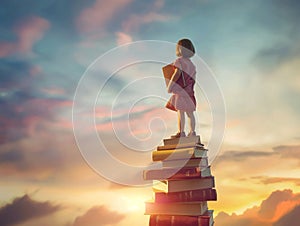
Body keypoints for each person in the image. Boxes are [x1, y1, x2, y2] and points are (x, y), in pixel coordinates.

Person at [166, 38, 197, 138]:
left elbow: (177, 73)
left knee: (180, 112)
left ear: (179, 49)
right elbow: (194, 80)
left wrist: (170, 86)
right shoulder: (192, 65)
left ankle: (181, 132)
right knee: (190, 113)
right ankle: (193, 132)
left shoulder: (179, 61)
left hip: (180, 91)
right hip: (189, 92)